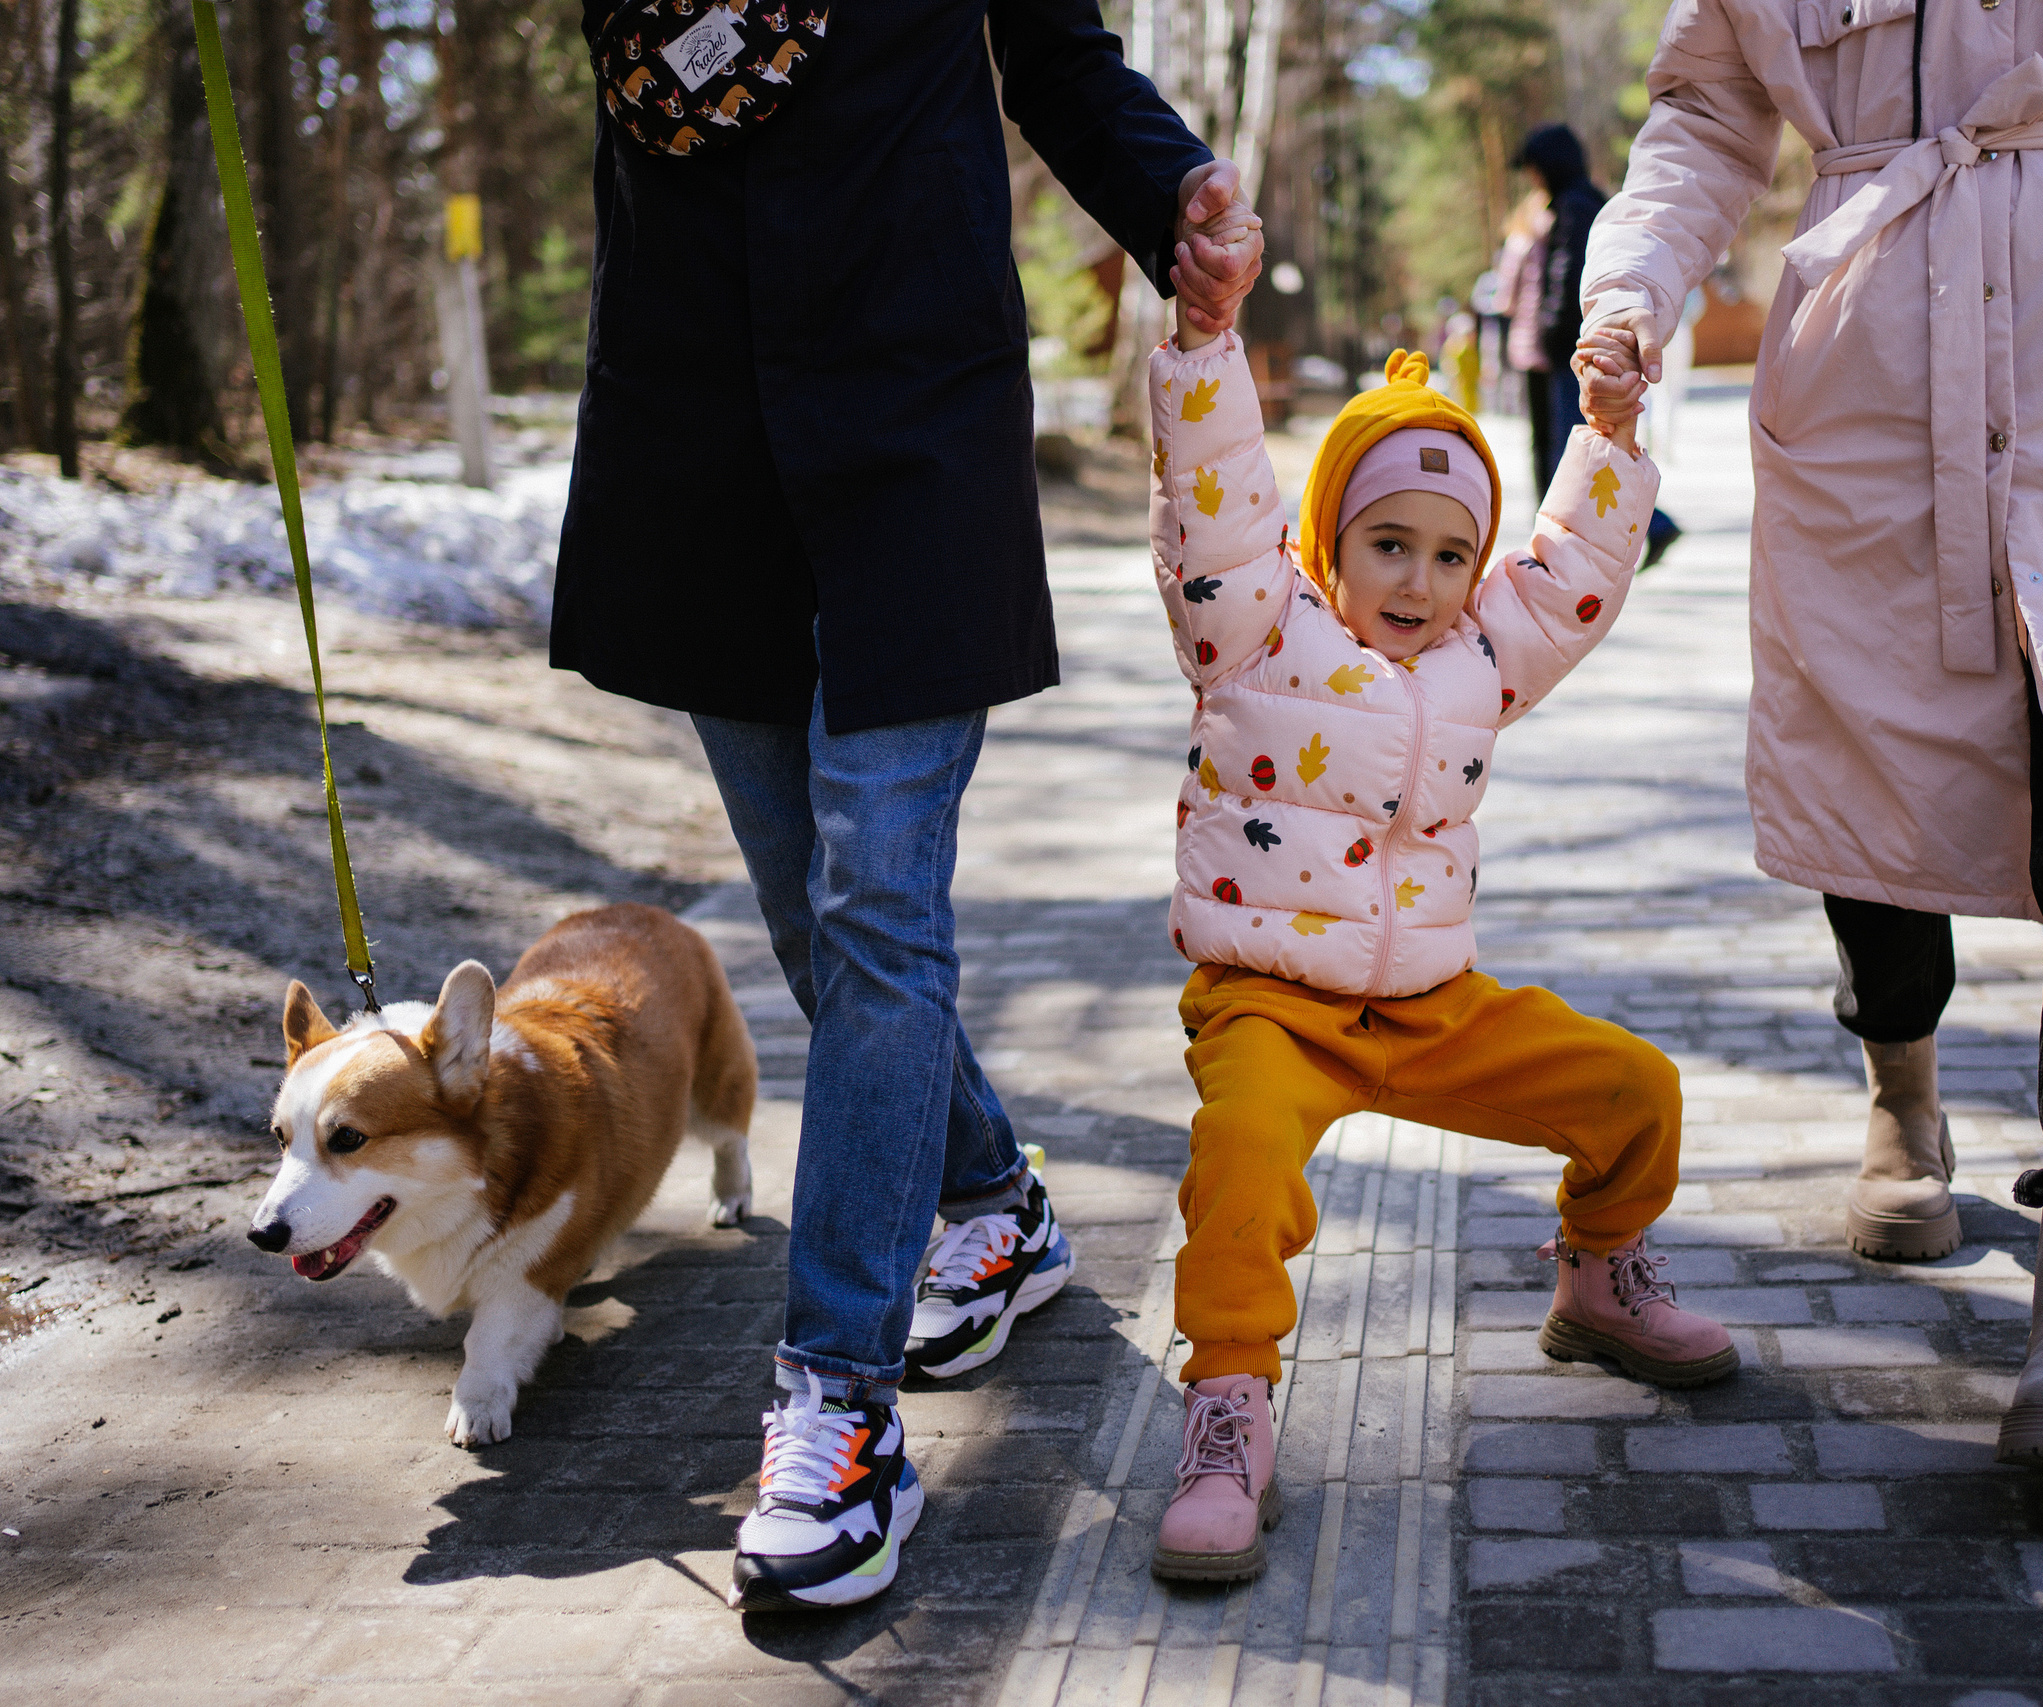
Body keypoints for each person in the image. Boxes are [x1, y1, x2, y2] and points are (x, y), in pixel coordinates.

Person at [548, 0, 1263, 1611]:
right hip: (696, 418)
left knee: (880, 902)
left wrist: (1176, 203)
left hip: (908, 400)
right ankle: (993, 1200)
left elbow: (1059, 58)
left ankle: (840, 1403)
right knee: (813, 914)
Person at [1582, 0, 2043, 1473]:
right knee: (1875, 744)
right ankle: (1901, 1085)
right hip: (1874, 360)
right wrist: (1637, 288)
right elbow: (1706, 110)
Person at [1138, 313, 1730, 1582]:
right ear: (1326, 542)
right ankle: (1227, 1410)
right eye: (1388, 545)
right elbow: (1216, 507)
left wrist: (1611, 440)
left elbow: (1574, 574)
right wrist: (1203, 348)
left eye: (1451, 555)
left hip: (1429, 1005)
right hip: (1271, 1006)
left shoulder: (1478, 657)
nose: (1418, 582)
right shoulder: (1251, 628)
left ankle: (1597, 1272)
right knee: (1240, 1158)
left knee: (1638, 1091)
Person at [1517, 124, 1682, 569]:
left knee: (1582, 454)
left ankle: (1636, 531)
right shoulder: (1582, 203)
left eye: (1533, 169)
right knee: (1589, 452)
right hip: (1574, 349)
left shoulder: (1574, 209)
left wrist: (1553, 339)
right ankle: (1645, 528)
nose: (1530, 179)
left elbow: (1564, 280)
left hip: (1575, 355)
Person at [1489, 193, 1555, 484]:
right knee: (1562, 427)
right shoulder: (1556, 238)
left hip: (1529, 345)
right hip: (1561, 344)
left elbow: (1506, 299)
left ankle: (1543, 498)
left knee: (1539, 433)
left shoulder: (1519, 243)